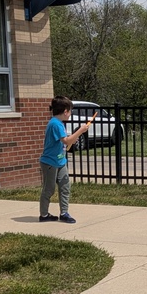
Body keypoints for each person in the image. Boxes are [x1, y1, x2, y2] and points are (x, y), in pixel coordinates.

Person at [39, 95, 91, 224]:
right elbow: (66, 140)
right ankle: (44, 215)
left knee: (65, 187)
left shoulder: (59, 123)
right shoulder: (55, 124)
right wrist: (80, 131)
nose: (70, 114)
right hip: (50, 162)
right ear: (65, 111)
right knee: (49, 189)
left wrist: (73, 139)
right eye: (70, 111)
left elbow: (66, 141)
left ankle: (64, 213)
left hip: (60, 161)